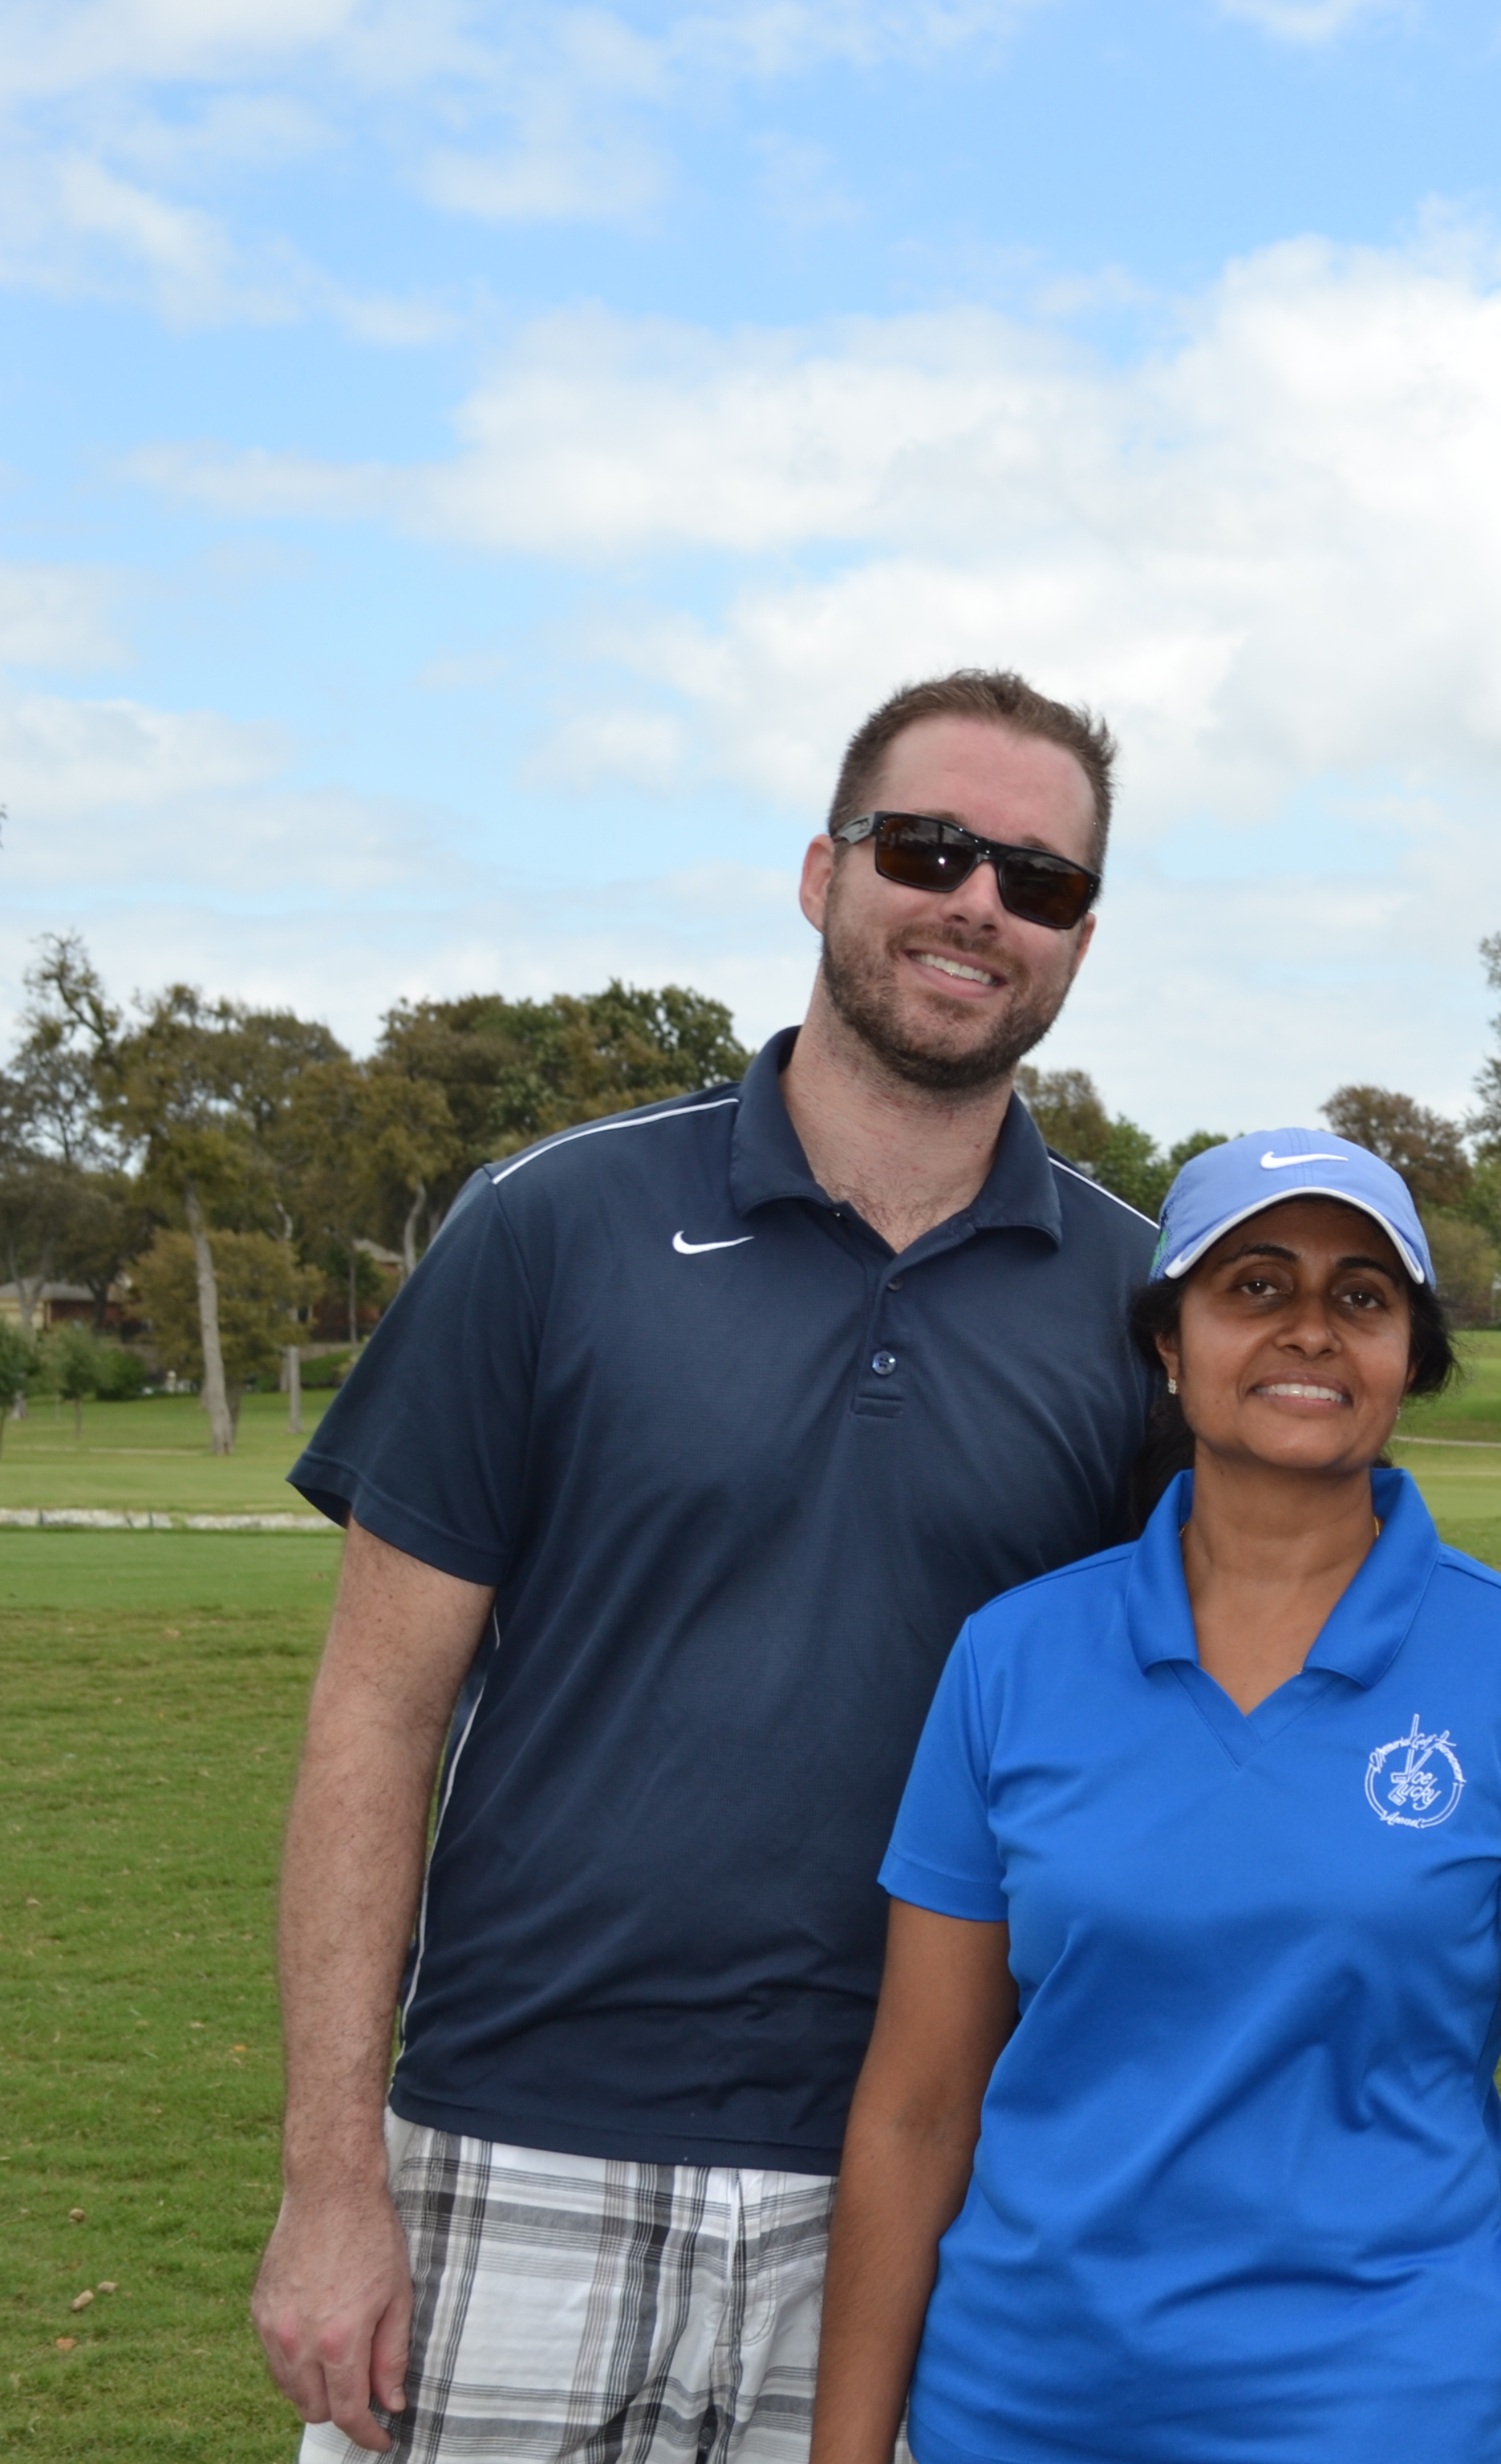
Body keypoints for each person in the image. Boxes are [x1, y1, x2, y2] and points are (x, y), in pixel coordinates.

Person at [256, 671, 1164, 2462]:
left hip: (923, 2187)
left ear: (1079, 937)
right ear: (824, 873)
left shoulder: (1140, 1307)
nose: (981, 904)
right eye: (931, 850)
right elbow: (375, 1714)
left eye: (1041, 880)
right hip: (516, 2148)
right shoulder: (553, 1223)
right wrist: (331, 2181)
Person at [808, 1131, 1501, 2464]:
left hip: (1386, 2419)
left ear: (1410, 1357)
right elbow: (916, 2109)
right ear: (1169, 1343)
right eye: (1255, 1286)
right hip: (1026, 2411)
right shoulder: (1014, 1656)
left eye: (1362, 1297)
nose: (1309, 1330)